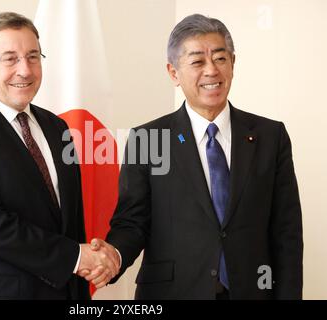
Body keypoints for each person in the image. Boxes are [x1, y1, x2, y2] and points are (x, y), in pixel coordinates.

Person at [90, 13, 303, 299]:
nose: (211, 71)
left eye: (220, 58)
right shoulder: (148, 139)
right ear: (173, 73)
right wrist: (114, 254)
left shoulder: (270, 136)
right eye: (197, 61)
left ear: (233, 64)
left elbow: (286, 232)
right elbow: (133, 222)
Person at [0, 12, 119, 300]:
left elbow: (71, 222)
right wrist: (75, 258)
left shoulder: (57, 128)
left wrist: (83, 272)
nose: (25, 70)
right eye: (10, 59)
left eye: (33, 56)